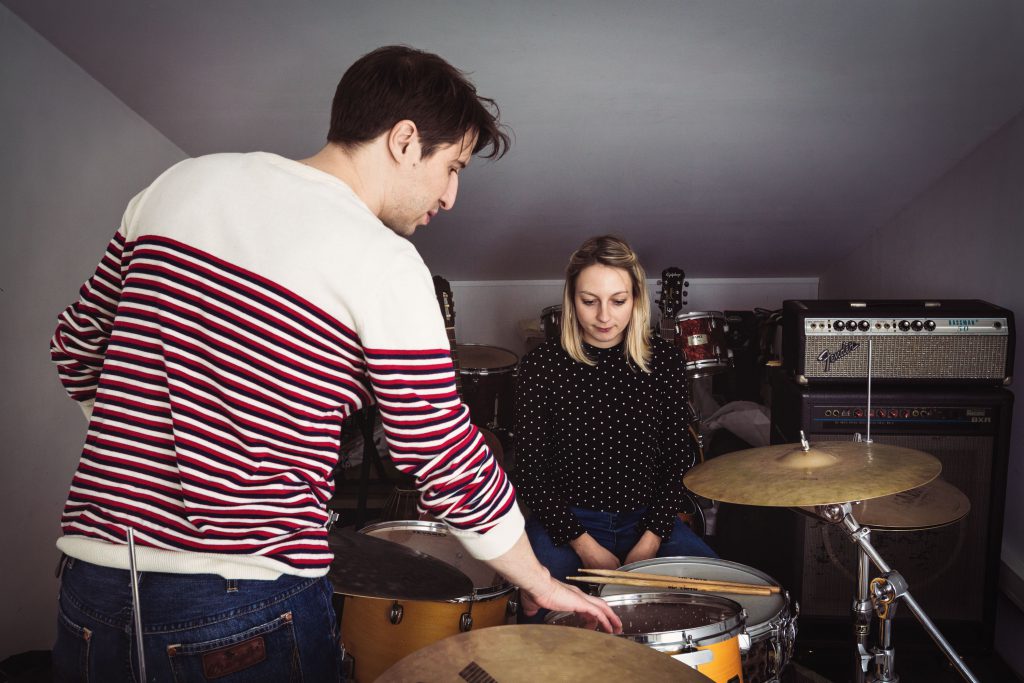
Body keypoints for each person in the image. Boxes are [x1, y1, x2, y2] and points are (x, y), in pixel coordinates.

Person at [49, 45, 618, 682]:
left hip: (94, 580)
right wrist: (539, 581)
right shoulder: (381, 259)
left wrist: (149, 439)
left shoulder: (177, 184)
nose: (452, 196)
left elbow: (73, 347)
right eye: (451, 167)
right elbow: (436, 447)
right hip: (243, 602)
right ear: (405, 140)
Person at [514, 235, 717, 622]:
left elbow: (675, 458)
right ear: (571, 300)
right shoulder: (541, 366)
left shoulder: (665, 362)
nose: (604, 317)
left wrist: (650, 542)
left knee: (711, 597)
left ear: (637, 299)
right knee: (543, 613)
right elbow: (530, 472)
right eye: (589, 301)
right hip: (567, 524)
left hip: (647, 520)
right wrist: (586, 546)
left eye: (618, 301)